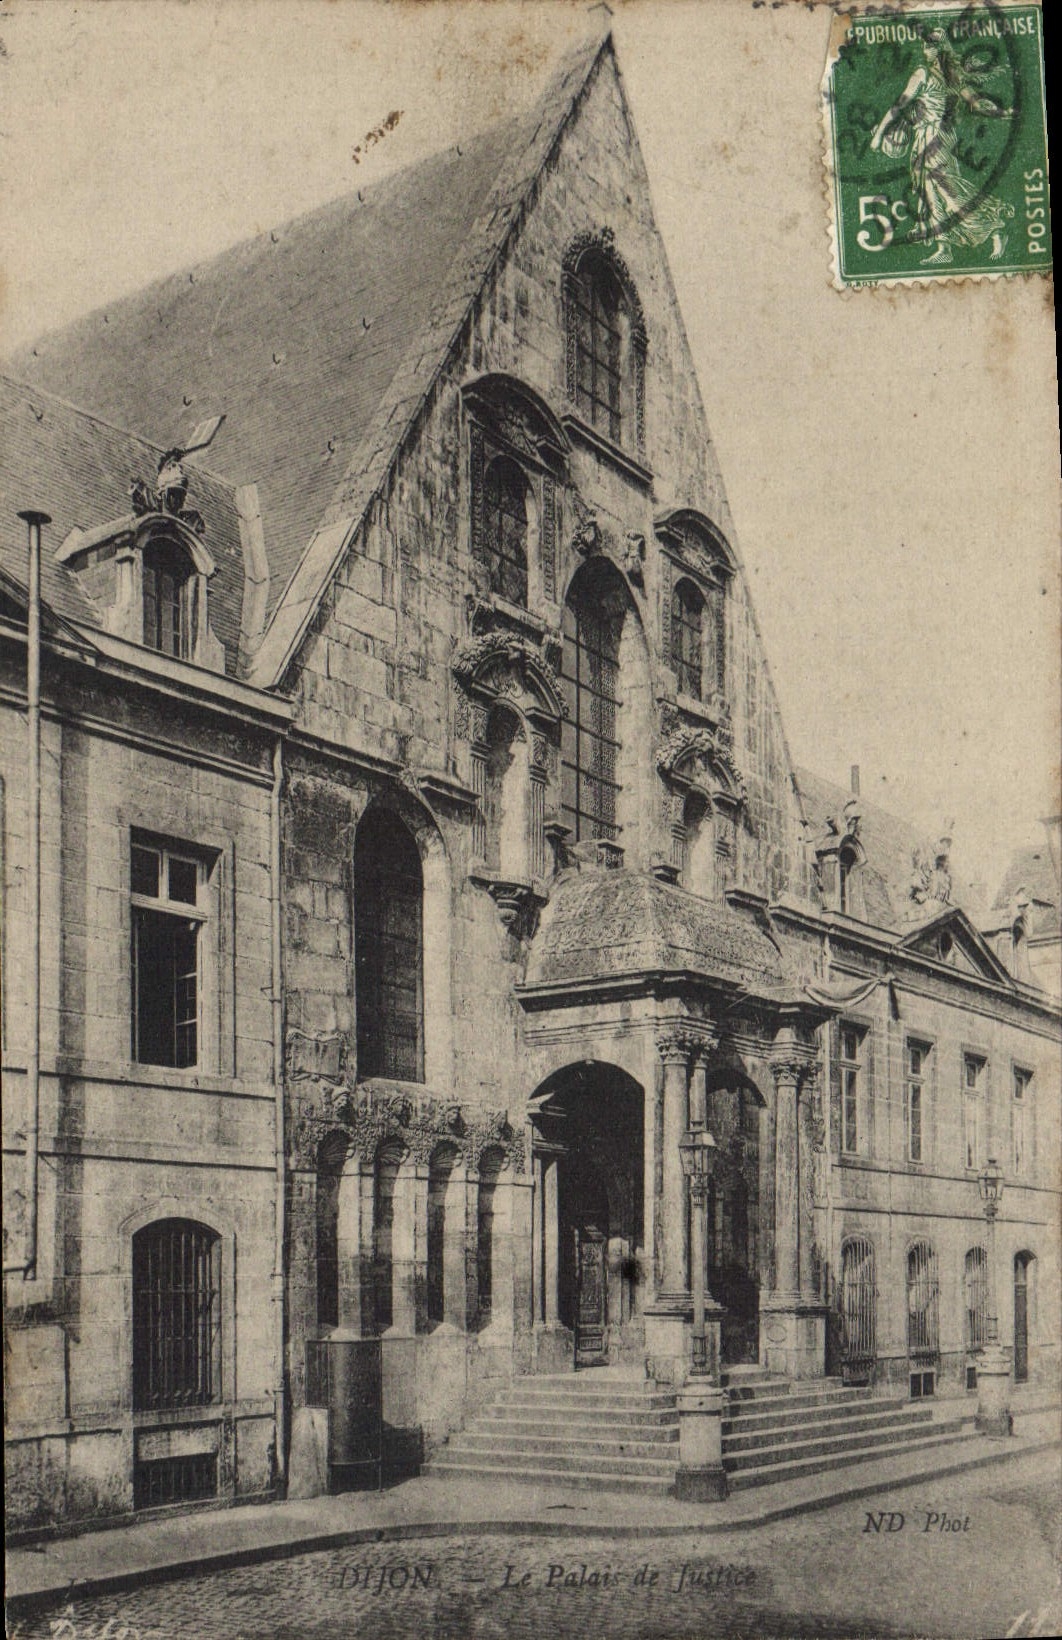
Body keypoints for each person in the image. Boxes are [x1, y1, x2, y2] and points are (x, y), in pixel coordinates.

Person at [869, 27, 1014, 265]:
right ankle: (944, 247)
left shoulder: (922, 74)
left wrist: (880, 134)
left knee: (948, 192)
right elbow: (977, 104)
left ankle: (995, 228)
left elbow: (899, 105)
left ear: (937, 50)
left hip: (932, 138)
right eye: (925, 45)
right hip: (939, 136)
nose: (925, 49)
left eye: (929, 45)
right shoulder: (952, 77)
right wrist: (1001, 112)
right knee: (932, 193)